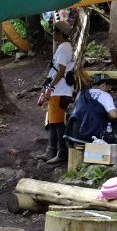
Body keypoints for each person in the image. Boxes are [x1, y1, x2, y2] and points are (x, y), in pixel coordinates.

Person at [42, 23, 76, 161]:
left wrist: (50, 87)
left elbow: (61, 70)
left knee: (57, 122)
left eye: (54, 32)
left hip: (60, 89)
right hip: (60, 89)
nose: (53, 35)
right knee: (53, 121)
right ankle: (51, 150)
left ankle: (61, 152)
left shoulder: (63, 47)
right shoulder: (66, 47)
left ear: (61, 33)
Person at [68, 74, 117, 143]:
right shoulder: (105, 95)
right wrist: (116, 117)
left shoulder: (81, 94)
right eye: (108, 87)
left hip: (74, 135)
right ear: (104, 85)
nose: (108, 89)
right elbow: (114, 115)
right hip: (93, 136)